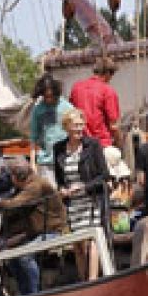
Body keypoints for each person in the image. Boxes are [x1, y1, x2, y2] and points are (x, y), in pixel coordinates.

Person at [0, 160, 67, 296]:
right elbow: (9, 203)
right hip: (35, 232)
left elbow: (14, 204)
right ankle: (24, 293)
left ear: (16, 178)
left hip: (51, 231)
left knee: (25, 255)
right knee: (11, 256)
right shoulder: (25, 186)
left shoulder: (35, 186)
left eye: (10, 176)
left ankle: (34, 295)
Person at [53, 108, 111, 281]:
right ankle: (82, 278)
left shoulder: (92, 145)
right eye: (75, 126)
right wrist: (62, 189)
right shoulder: (59, 148)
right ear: (67, 127)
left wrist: (84, 186)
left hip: (91, 200)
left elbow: (104, 175)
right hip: (73, 203)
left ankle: (92, 280)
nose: (79, 129)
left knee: (93, 240)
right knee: (78, 244)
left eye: (81, 125)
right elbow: (60, 178)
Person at [30, 74, 73, 184]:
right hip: (46, 161)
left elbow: (75, 133)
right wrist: (33, 162)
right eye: (45, 96)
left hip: (66, 159)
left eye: (51, 96)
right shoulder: (38, 110)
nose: (48, 99)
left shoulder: (67, 108)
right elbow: (33, 137)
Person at [70, 56, 121, 148]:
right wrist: (119, 143)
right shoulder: (107, 91)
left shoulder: (76, 88)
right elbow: (113, 125)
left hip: (80, 144)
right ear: (108, 73)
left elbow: (71, 114)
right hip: (101, 144)